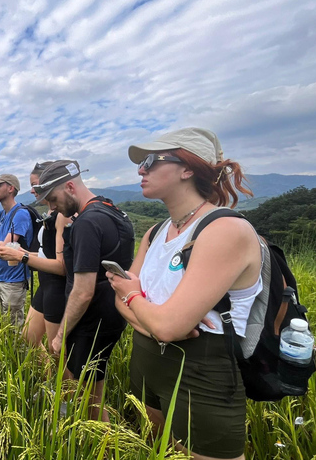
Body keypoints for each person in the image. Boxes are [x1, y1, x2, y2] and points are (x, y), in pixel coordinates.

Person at [108, 128, 258, 460]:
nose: (140, 170)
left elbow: (153, 314)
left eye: (150, 161)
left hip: (201, 373)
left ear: (187, 168)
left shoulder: (224, 230)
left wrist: (134, 297)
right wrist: (151, 321)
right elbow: (145, 315)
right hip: (147, 361)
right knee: (154, 447)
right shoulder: (155, 231)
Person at [33, 160, 135, 421]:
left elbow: (83, 291)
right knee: (93, 391)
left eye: (53, 199)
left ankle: (101, 444)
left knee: (89, 402)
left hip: (91, 321)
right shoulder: (112, 210)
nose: (52, 207)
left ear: (69, 186)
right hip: (109, 316)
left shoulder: (87, 223)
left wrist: (59, 336)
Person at [0, 162, 69, 353]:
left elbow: (4, 246)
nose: (32, 190)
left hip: (39, 282)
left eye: (36, 185)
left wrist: (20, 255)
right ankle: (44, 375)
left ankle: (51, 379)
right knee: (28, 336)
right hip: (43, 282)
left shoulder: (27, 214)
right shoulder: (4, 214)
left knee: (53, 347)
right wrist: (20, 253)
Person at [0, 173, 34, 327]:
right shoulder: (1, 214)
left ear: (11, 188)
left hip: (15, 280)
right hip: (2, 277)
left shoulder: (20, 214)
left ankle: (20, 352)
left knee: (14, 327)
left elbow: (4, 249)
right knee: (4, 324)